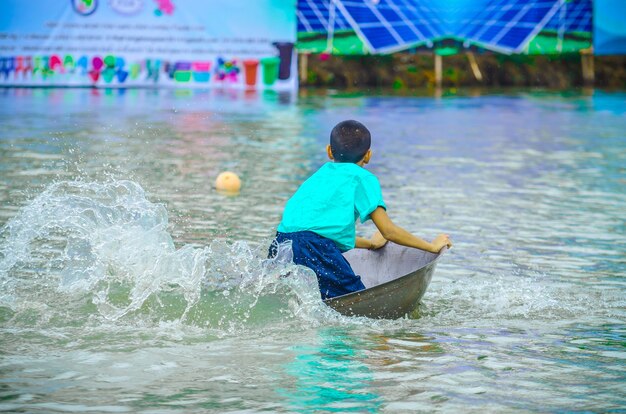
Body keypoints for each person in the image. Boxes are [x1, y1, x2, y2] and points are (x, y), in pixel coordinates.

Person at [270, 120, 452, 300]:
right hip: (316, 249)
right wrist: (431, 246)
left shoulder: (318, 176)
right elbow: (388, 231)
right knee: (359, 304)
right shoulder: (362, 178)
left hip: (280, 244)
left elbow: (312, 234)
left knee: (295, 302)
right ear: (368, 155)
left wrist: (371, 244)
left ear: (329, 151)